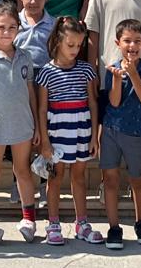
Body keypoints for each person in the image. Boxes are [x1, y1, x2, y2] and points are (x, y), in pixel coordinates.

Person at [0, 1, 41, 244]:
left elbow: (30, 91)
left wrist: (35, 123)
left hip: (22, 125)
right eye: (1, 27)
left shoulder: (25, 56)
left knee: (22, 170)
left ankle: (29, 219)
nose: (6, 32)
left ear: (19, 29)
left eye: (12, 27)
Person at [36, 17, 102, 245]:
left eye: (79, 45)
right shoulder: (45, 72)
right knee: (54, 178)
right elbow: (42, 108)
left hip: (81, 131)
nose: (75, 50)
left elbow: (93, 103)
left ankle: (82, 223)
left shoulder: (86, 70)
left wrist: (95, 135)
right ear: (57, 41)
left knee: (79, 177)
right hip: (57, 132)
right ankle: (53, 223)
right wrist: (44, 141)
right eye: (70, 45)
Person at [100, 18, 141, 249]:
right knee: (110, 180)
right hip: (111, 131)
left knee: (137, 179)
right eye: (127, 41)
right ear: (118, 42)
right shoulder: (112, 67)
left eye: (137, 41)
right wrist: (116, 78)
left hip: (134, 133)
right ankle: (114, 227)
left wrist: (133, 74)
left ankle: (140, 221)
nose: (131, 46)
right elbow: (113, 102)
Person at [14, 0, 55, 70]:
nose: (33, 1)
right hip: (18, 75)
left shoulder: (54, 25)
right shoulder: (13, 22)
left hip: (45, 76)